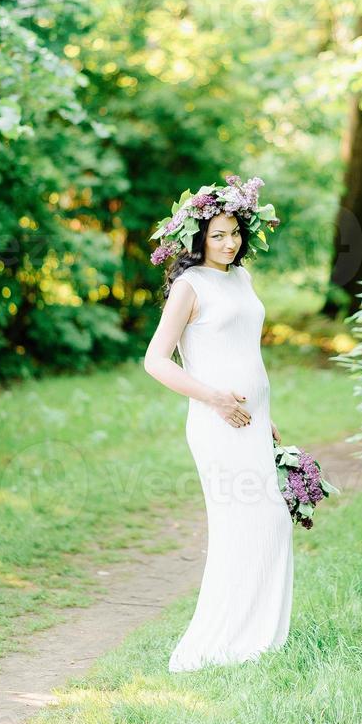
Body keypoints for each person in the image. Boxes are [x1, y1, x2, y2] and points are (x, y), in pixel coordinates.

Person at [143, 175, 293, 672]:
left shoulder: (242, 279)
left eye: (235, 233)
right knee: (247, 523)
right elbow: (156, 361)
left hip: (251, 422)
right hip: (216, 423)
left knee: (268, 522)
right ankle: (224, 642)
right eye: (218, 235)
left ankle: (259, 638)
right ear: (198, 238)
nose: (229, 244)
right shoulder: (190, 286)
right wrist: (214, 399)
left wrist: (265, 418)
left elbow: (246, 351)